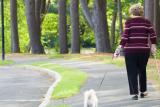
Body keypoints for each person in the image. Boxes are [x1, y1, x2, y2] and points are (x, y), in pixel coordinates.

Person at [114, 3, 157, 100]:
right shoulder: (147, 22)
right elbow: (153, 34)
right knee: (142, 70)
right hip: (143, 51)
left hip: (130, 51)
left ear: (132, 12)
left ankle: (134, 93)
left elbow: (125, 36)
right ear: (141, 12)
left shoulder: (129, 22)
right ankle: (143, 91)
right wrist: (153, 45)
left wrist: (120, 47)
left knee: (132, 72)